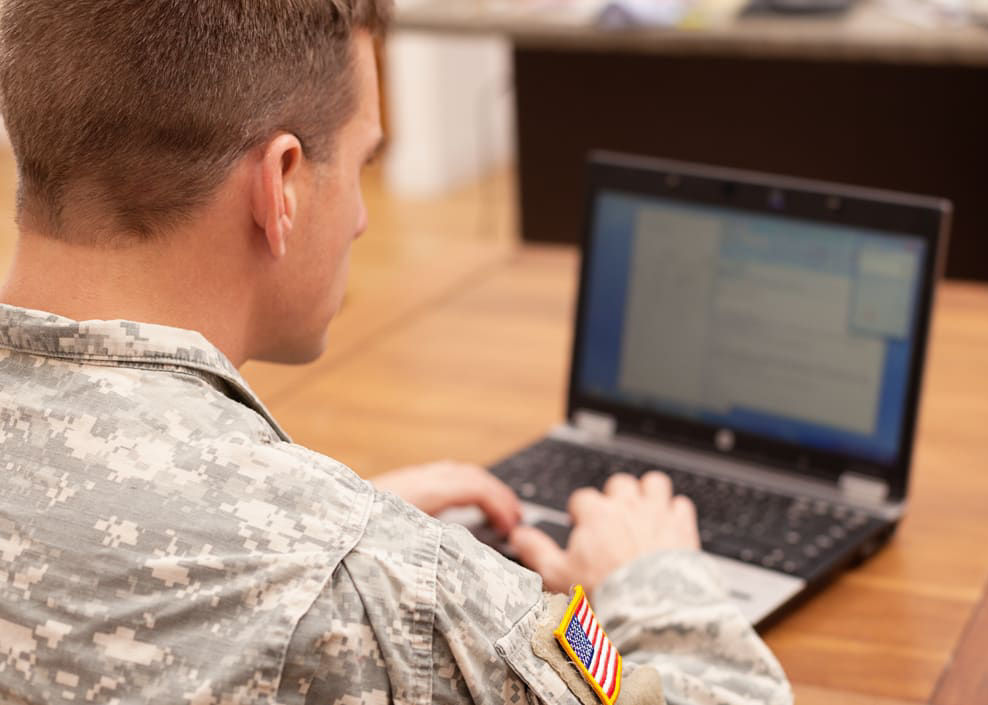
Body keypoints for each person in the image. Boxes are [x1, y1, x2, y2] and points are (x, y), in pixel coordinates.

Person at [0, 2, 792, 704]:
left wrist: (324, 527)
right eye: (362, 162)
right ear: (281, 185)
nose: (361, 220)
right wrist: (650, 578)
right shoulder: (395, 589)